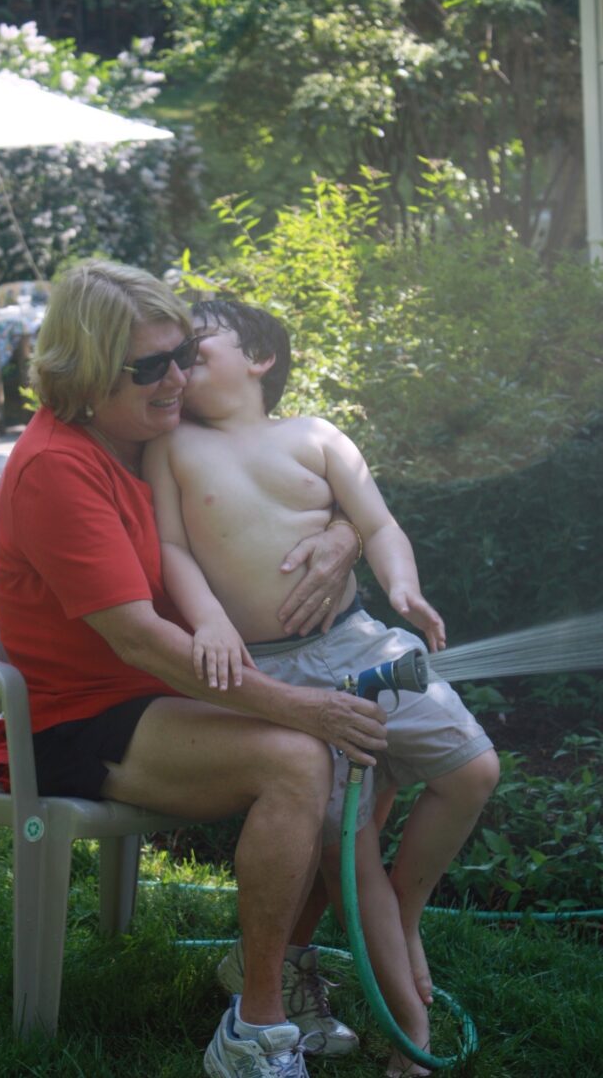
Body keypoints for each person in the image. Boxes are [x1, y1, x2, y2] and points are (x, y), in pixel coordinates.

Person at [0, 260, 387, 1078]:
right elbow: (139, 640)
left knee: (359, 746)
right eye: (151, 367)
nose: (178, 379)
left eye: (182, 355)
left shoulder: (146, 432)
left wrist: (345, 534)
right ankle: (255, 1027)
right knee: (299, 757)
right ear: (86, 371)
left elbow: (300, 479)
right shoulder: (59, 468)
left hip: (164, 691)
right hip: (83, 718)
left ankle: (277, 965)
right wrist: (298, 708)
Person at [143, 298, 499, 1076]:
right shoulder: (172, 447)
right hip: (272, 670)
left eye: (199, 343)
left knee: (473, 770)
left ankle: (405, 913)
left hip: (359, 641)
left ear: (260, 358)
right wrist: (209, 621)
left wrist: (401, 587)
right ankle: (412, 1035)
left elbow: (379, 524)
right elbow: (173, 548)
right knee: (352, 852)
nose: (181, 358)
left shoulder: (316, 436)